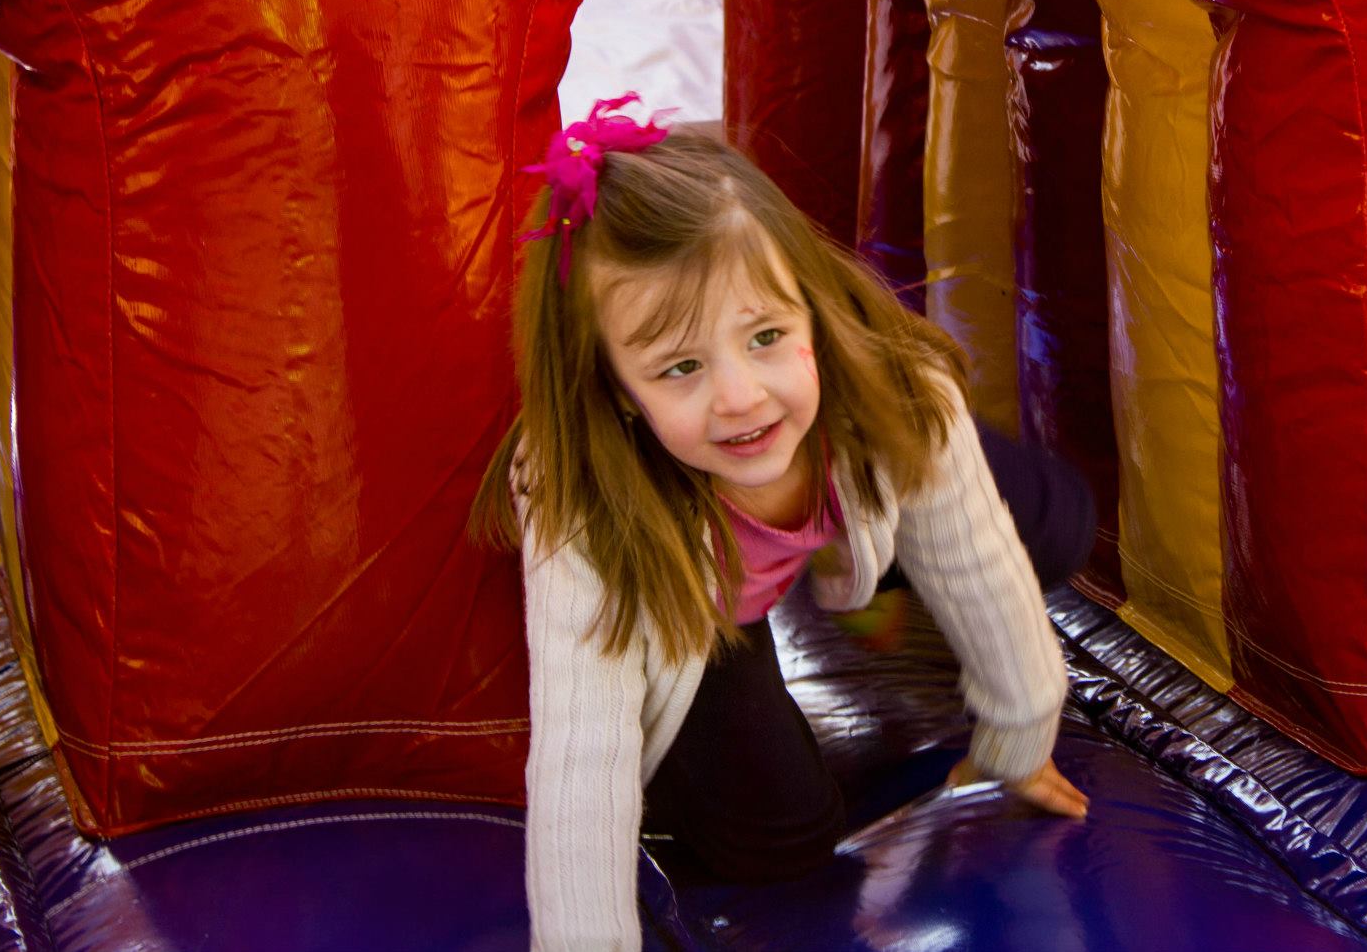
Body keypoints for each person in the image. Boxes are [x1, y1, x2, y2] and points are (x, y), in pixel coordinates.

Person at [469, 94, 1095, 951]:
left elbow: (979, 565)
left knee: (1059, 526)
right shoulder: (587, 506)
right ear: (618, 390)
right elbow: (586, 751)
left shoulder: (902, 396)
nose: (739, 395)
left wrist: (1016, 743)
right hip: (697, 610)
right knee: (779, 837)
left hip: (856, 455)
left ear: (808, 304)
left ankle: (877, 563)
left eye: (765, 335)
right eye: (680, 367)